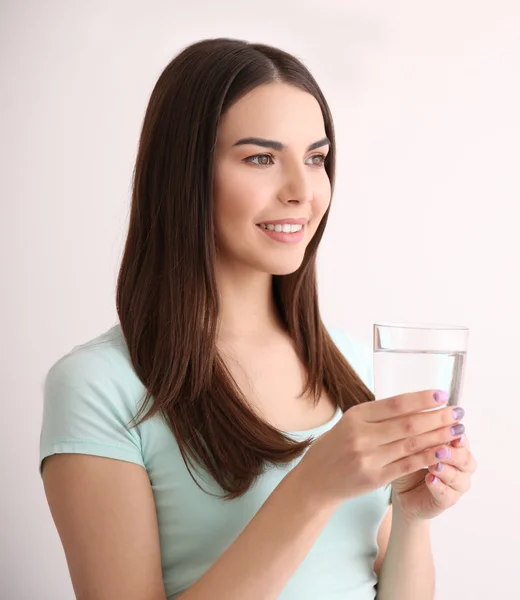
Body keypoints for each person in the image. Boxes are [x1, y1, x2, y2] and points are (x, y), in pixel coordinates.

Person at [39, 38, 476, 600]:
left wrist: (413, 514)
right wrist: (313, 487)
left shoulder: (349, 363)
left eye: (315, 158)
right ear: (185, 176)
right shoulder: (101, 385)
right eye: (261, 158)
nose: (303, 191)